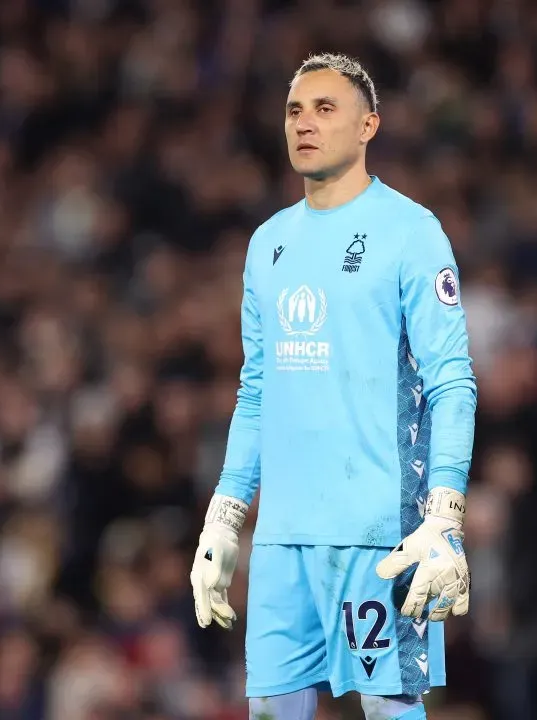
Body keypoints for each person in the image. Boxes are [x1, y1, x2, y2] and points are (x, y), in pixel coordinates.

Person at [189, 53, 477, 720]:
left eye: (325, 109)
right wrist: (226, 517)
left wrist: (445, 517)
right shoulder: (268, 245)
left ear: (368, 126)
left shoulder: (412, 233)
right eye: (295, 110)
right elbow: (256, 391)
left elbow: (452, 382)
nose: (304, 124)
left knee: (387, 710)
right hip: (284, 537)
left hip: (379, 530)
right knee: (268, 714)